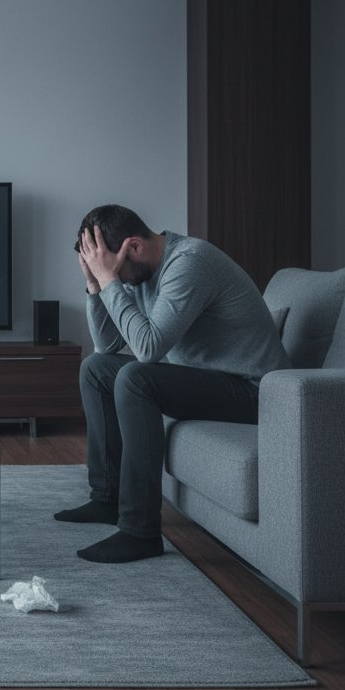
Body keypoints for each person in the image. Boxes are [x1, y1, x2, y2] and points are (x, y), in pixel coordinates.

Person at [58, 203, 289, 564]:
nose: (112, 277)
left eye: (112, 267)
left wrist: (110, 282)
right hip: (210, 379)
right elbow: (107, 346)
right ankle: (107, 498)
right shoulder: (138, 270)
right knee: (96, 368)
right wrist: (95, 286)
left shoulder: (189, 263)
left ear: (133, 246)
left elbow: (148, 349)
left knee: (135, 378)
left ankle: (140, 532)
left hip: (253, 390)